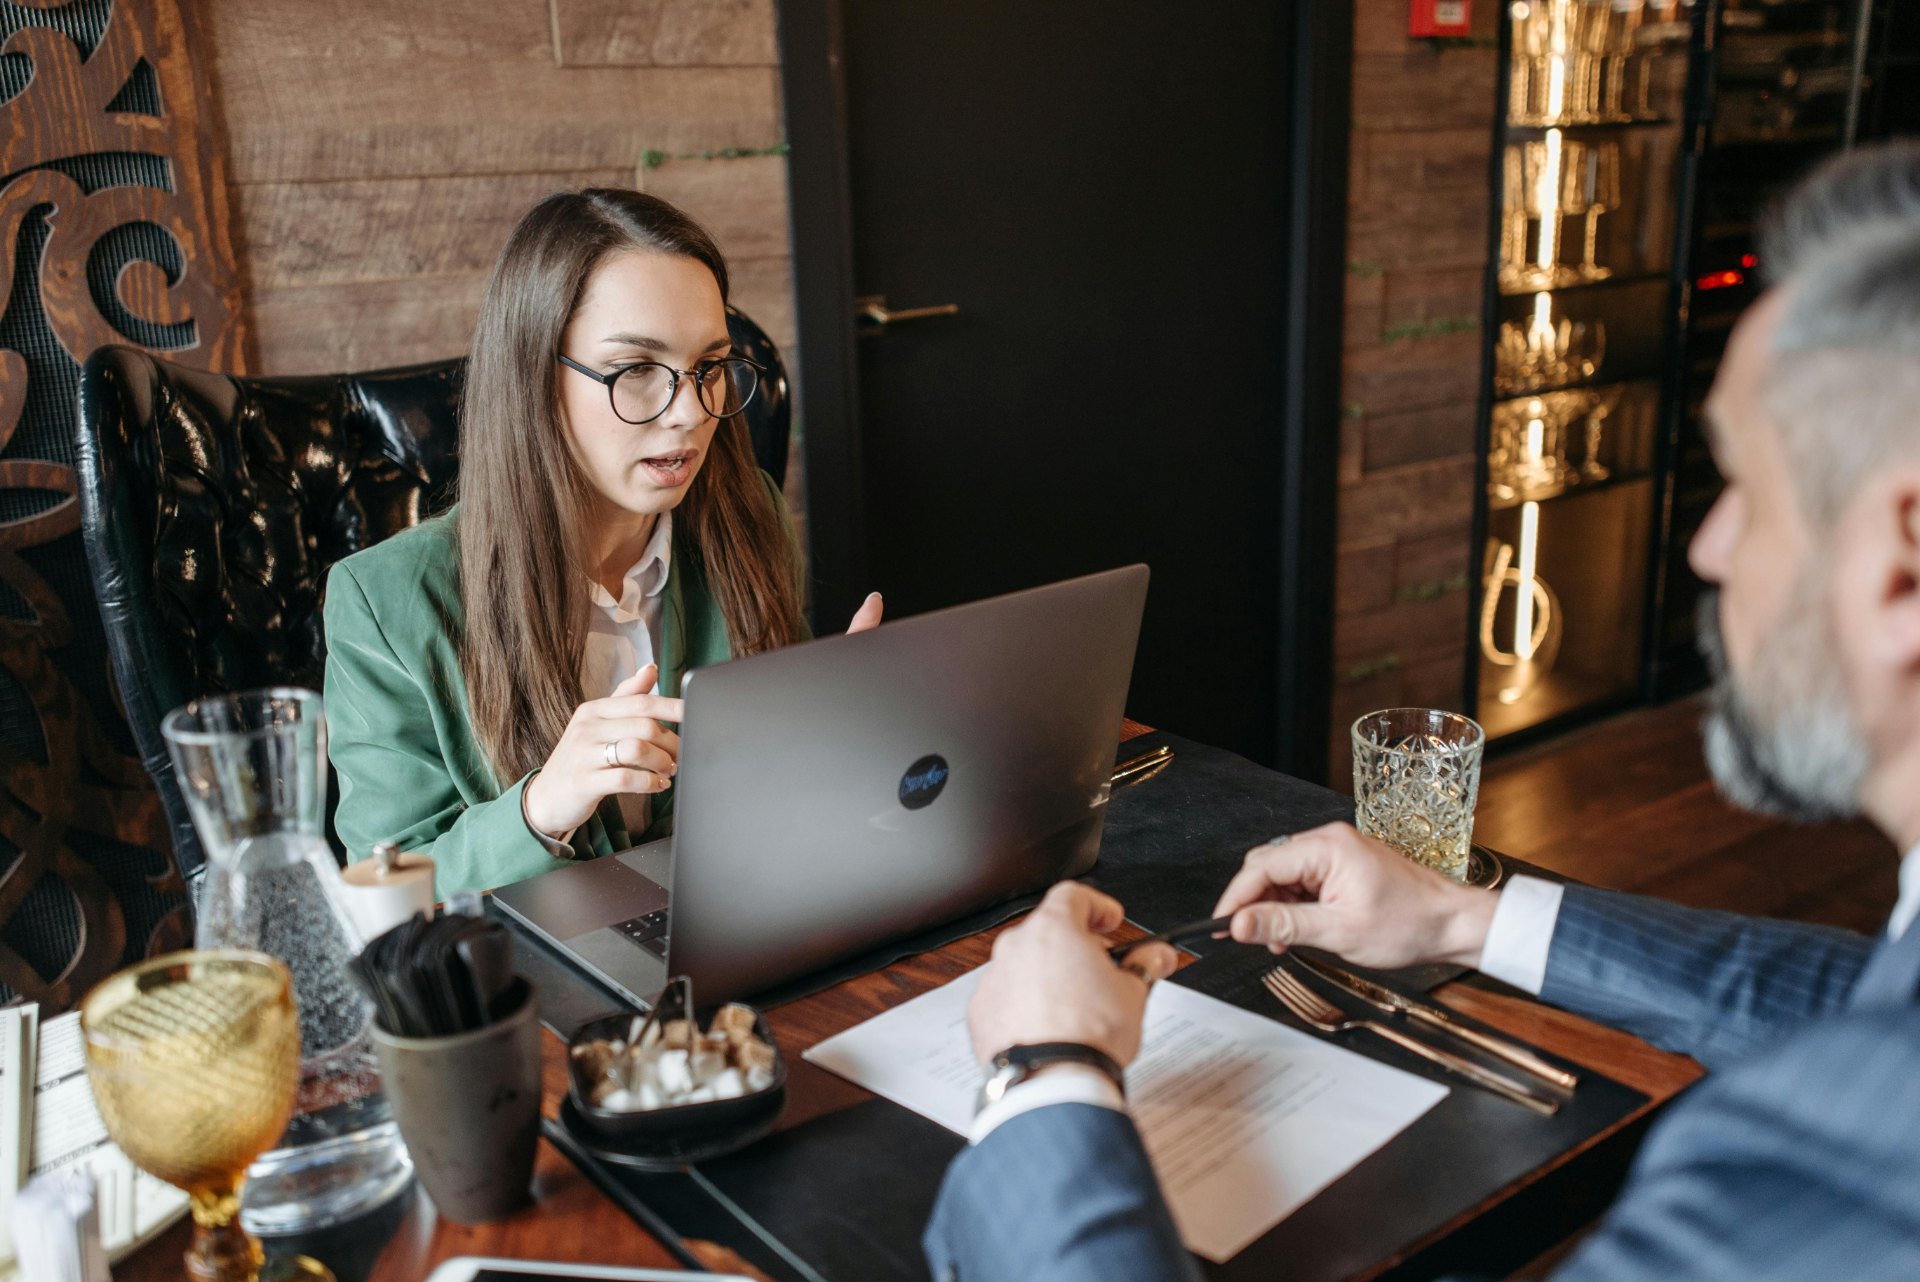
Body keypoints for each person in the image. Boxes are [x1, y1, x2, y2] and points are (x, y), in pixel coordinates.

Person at [926, 141, 1920, 1280]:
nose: (1710, 545)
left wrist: (1046, 1076)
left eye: (1745, 487)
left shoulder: (1826, 1177)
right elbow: (1863, 1002)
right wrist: (1463, 921)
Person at [323, 189, 882, 897]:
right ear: (534, 376)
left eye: (709, 367)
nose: (689, 413)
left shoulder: (749, 519)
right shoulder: (384, 600)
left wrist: (835, 732)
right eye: (636, 370)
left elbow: (771, 808)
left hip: (736, 923)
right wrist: (540, 808)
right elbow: (388, 899)